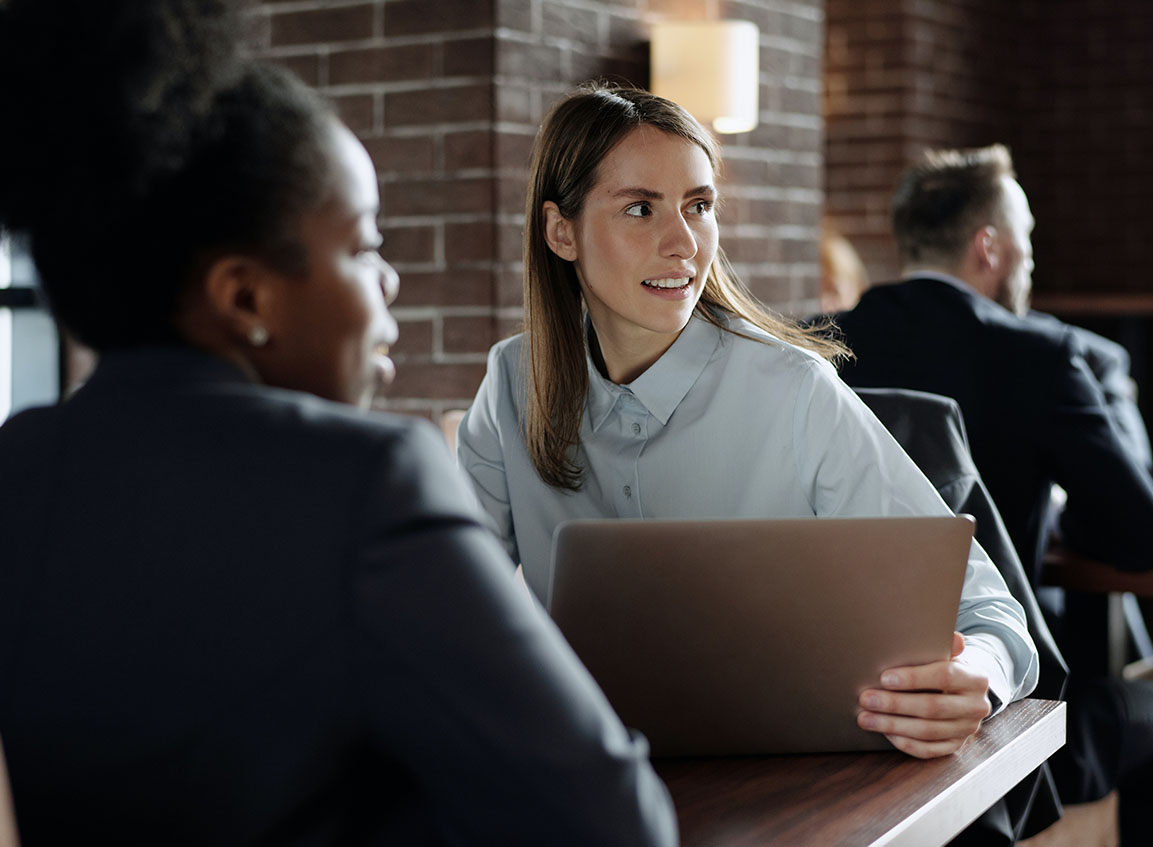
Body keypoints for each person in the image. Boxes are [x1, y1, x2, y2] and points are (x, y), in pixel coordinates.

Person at [0, 2, 677, 844]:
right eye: (361, 247)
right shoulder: (368, 482)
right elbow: (613, 821)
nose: (388, 282)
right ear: (246, 297)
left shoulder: (18, 469)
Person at [457, 83, 1039, 762]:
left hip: (788, 783)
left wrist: (979, 676)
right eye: (640, 209)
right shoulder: (510, 385)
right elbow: (442, 607)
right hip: (582, 773)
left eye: (698, 206)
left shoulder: (793, 389)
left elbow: (993, 615)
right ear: (562, 232)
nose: (682, 243)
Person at [832, 144, 1153, 846]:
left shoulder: (817, 344)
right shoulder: (1039, 355)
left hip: (844, 709)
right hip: (994, 715)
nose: (1030, 264)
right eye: (1026, 246)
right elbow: (1147, 536)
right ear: (988, 247)